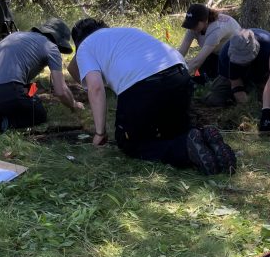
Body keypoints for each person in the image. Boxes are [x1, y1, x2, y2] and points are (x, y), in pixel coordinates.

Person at [69, 18, 236, 174]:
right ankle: (206, 141)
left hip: (143, 85)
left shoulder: (85, 47)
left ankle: (185, 150)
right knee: (173, 132)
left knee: (130, 143)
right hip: (179, 74)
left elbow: (95, 88)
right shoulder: (125, 32)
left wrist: (100, 133)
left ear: (78, 43)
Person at [0, 17, 84, 136]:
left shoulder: (15, 35)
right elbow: (60, 90)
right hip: (3, 93)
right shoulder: (51, 47)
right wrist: (73, 104)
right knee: (38, 115)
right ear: (58, 40)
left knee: (10, 104)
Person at [203, 28, 270, 107]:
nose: (242, 64)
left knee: (268, 101)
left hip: (263, 75)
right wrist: (246, 105)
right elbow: (236, 84)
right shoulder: (226, 55)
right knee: (215, 99)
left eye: (245, 60)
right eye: (240, 61)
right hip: (232, 77)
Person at [177, 3, 241, 79]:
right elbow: (181, 52)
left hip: (235, 57)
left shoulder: (216, 30)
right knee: (198, 75)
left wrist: (178, 78)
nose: (191, 27)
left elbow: (197, 62)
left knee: (208, 77)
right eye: (189, 23)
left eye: (194, 24)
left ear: (205, 20)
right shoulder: (194, 27)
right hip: (217, 53)